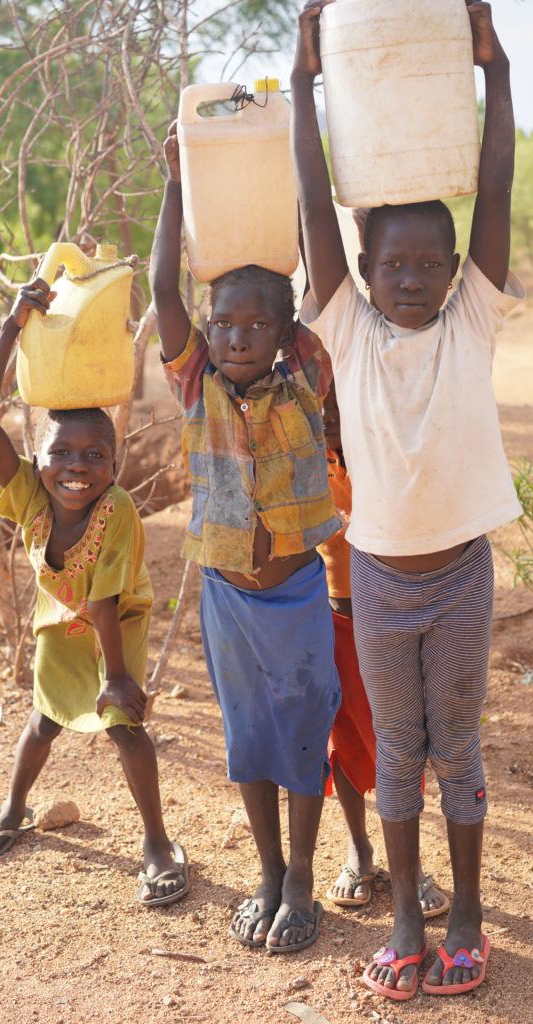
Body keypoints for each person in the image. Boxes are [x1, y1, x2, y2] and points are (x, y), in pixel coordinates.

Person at [292, 0, 524, 999]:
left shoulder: (471, 317)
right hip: (380, 582)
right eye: (395, 264)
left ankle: (465, 915)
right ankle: (403, 919)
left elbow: (495, 188)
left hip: (460, 576)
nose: (416, 278)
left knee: (458, 745)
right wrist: (304, 86)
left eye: (432, 262)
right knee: (396, 752)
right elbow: (313, 200)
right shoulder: (345, 329)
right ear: (364, 271)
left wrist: (496, 75)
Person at [150, 121, 341, 953]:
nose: (234, 336)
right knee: (250, 738)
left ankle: (301, 875)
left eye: (252, 325)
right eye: (222, 323)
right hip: (227, 596)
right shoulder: (196, 385)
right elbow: (163, 289)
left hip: (298, 594)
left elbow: (315, 291)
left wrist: (287, 186)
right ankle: (267, 870)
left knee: (302, 736)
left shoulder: (303, 372)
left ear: (279, 331)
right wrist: (174, 184)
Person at [0, 282, 188, 908]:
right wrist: (13, 327)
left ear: (115, 464)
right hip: (58, 621)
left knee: (123, 727)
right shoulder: (29, 495)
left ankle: (157, 841)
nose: (78, 466)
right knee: (44, 720)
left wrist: (118, 678)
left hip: (112, 628)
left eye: (95, 455)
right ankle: (14, 809)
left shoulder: (117, 510)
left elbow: (103, 600)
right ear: (36, 458)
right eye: (62, 453)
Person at [319, 380, 450, 921]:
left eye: (337, 411)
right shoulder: (311, 463)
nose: (329, 422)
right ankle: (360, 850)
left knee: (395, 737)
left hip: (390, 616)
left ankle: (411, 865)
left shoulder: (388, 458)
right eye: (321, 412)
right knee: (342, 733)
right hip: (328, 615)